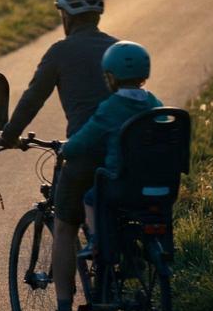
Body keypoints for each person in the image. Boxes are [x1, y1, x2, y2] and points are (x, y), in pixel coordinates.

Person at [0, 0, 116, 311]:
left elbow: (33, 98)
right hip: (122, 152)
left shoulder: (60, 52)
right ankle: (118, 276)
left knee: (64, 225)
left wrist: (8, 135)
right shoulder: (118, 48)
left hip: (83, 152)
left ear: (66, 16)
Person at [63, 40, 162, 261]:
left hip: (122, 185)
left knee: (91, 198)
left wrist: (66, 149)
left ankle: (97, 241)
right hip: (157, 182)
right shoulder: (155, 103)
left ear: (111, 77)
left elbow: (83, 141)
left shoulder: (110, 108)